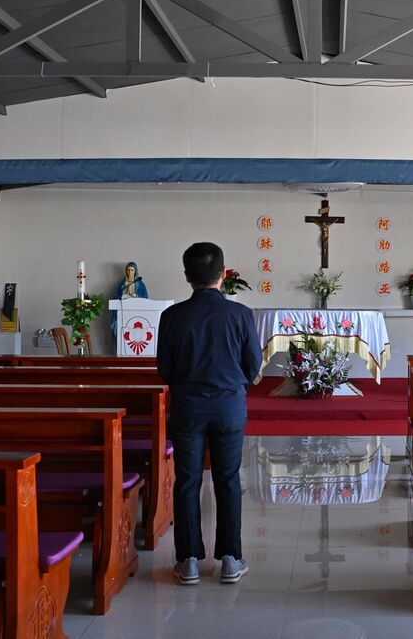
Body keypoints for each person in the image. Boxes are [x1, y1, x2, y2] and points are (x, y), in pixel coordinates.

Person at [157, 242, 262, 587]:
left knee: (188, 481)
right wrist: (231, 384)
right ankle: (230, 559)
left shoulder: (171, 316)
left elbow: (165, 368)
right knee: (227, 479)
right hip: (228, 407)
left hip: (187, 406)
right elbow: (252, 366)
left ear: (187, 276)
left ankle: (188, 560)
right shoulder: (241, 315)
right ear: (224, 273)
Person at [111, 261, 149, 337]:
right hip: (123, 310)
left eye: (132, 270)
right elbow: (116, 296)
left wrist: (134, 295)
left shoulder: (139, 284)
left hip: (136, 311)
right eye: (128, 270)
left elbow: (145, 298)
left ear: (135, 271)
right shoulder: (122, 284)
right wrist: (124, 296)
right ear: (126, 271)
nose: (130, 272)